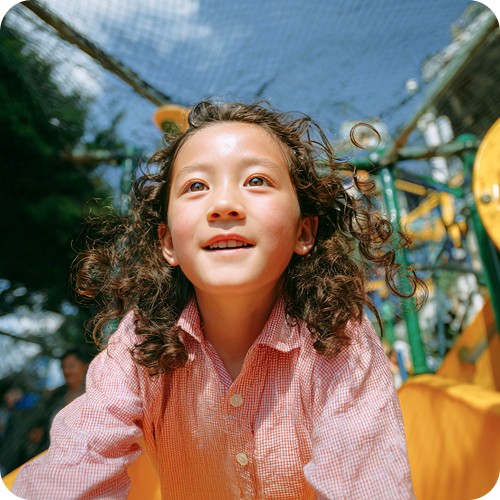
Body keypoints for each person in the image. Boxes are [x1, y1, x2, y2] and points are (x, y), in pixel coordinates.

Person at [12, 100, 424, 499]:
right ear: (169, 242)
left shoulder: (337, 339)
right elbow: (79, 460)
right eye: (196, 186)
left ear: (304, 232)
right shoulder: (139, 345)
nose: (224, 205)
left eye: (257, 180)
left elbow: (361, 476)